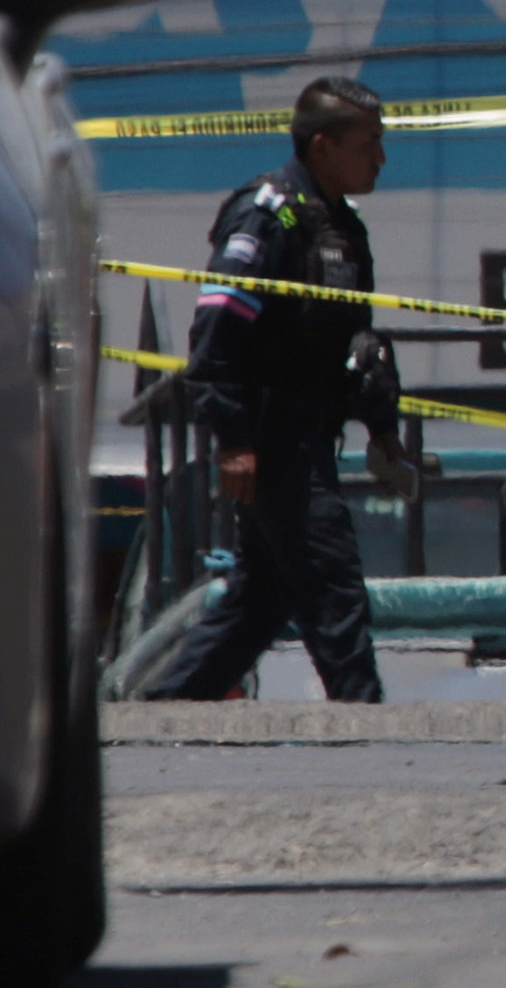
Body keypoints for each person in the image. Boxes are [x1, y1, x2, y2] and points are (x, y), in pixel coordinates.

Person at [146, 76, 412, 703]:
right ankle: (368, 728)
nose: (381, 158)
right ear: (324, 147)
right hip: (274, 442)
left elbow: (351, 345)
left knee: (258, 604)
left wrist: (380, 428)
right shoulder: (267, 216)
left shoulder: (340, 225)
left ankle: (160, 715)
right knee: (333, 589)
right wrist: (234, 441)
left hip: (311, 437)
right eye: (368, 144)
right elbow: (216, 332)